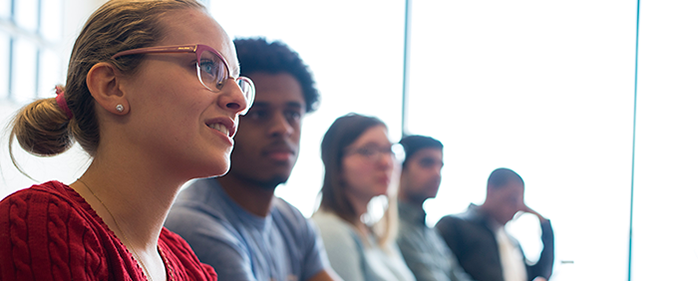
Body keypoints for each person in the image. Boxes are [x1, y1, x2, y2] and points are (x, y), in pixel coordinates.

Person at [0, 0, 255, 280]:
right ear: (112, 87)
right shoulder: (40, 225)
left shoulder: (189, 265)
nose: (239, 100)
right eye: (208, 66)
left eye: (236, 80)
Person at [164, 38, 339, 281]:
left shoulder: (292, 222)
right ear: (227, 118)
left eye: (293, 114)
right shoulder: (195, 224)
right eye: (258, 114)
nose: (282, 128)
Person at [312, 113, 416, 281]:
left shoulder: (375, 233)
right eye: (369, 151)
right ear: (336, 165)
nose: (386, 162)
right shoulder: (330, 231)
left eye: (390, 150)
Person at [435, 168, 554, 281]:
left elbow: (540, 274)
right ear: (491, 190)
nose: (517, 208)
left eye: (520, 203)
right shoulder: (455, 225)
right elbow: (439, 271)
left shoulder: (511, 240)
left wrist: (544, 224)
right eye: (512, 199)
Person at [396, 135, 472, 281]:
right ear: (399, 167)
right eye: (427, 163)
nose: (437, 173)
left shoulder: (428, 230)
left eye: (440, 166)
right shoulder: (396, 230)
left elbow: (456, 275)